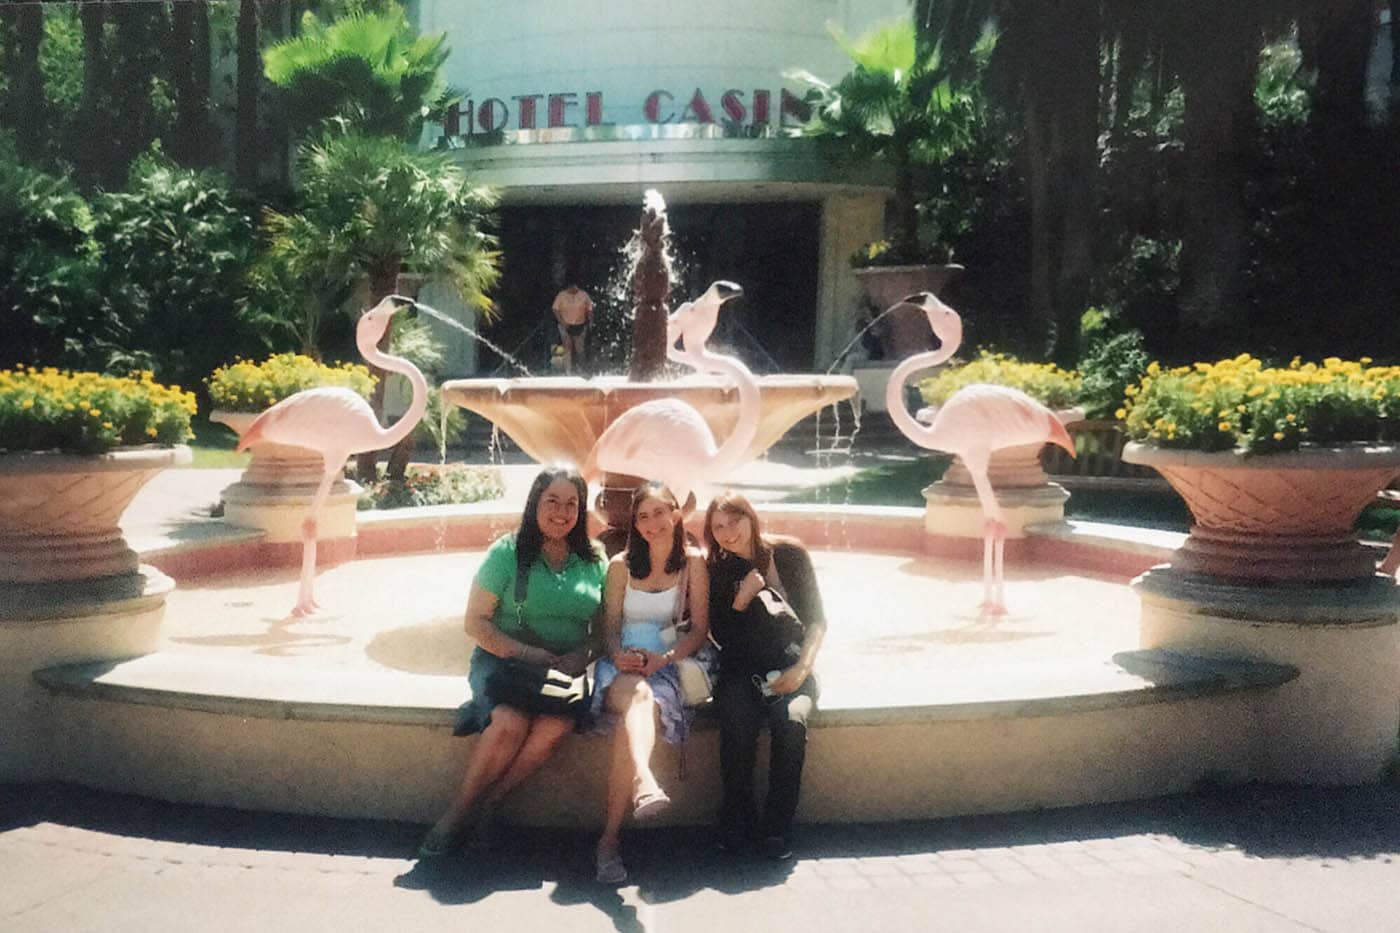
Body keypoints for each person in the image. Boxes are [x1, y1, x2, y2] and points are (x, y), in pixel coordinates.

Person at [418, 464, 606, 858]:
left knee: (555, 725)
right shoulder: (508, 552)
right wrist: (526, 652)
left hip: (562, 674)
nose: (561, 512)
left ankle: (492, 804)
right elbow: (475, 622)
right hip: (506, 665)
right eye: (551, 501)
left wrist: (581, 655)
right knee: (509, 723)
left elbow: (604, 630)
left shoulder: (594, 558)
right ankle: (456, 816)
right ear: (534, 503)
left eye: (572, 504)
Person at [588, 483, 710, 884]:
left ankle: (608, 842)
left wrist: (666, 659)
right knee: (637, 695)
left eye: (660, 513)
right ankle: (644, 780)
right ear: (635, 524)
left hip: (666, 666)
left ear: (676, 514)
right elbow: (607, 631)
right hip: (620, 665)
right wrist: (617, 655)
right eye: (643, 516)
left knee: (633, 721)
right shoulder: (621, 565)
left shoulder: (693, 563)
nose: (652, 523)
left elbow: (698, 631)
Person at [704, 492, 826, 860]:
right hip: (741, 670)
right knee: (737, 722)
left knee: (790, 723)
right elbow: (723, 638)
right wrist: (741, 600)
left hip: (793, 665)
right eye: (718, 528)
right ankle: (737, 817)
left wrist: (802, 668)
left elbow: (817, 619)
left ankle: (777, 825)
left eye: (734, 521)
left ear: (751, 517)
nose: (728, 534)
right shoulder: (717, 571)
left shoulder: (790, 553)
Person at [552, 284, 593, 373]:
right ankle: (568, 372)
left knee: (579, 348)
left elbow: (589, 309)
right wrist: (562, 322)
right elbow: (555, 309)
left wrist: (590, 321)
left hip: (580, 325)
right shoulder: (561, 295)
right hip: (565, 324)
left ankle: (582, 370)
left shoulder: (584, 295)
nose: (573, 289)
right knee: (567, 348)